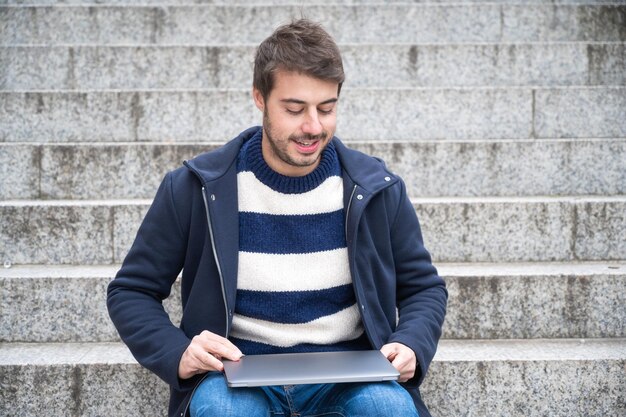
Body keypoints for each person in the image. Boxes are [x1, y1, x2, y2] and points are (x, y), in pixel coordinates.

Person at [107, 19, 447, 417]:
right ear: (259, 98)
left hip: (350, 376)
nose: (313, 127)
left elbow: (424, 288)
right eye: (294, 108)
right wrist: (178, 352)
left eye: (327, 108)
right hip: (233, 375)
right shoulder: (195, 187)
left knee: (387, 409)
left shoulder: (376, 188)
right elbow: (131, 291)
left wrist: (410, 344)